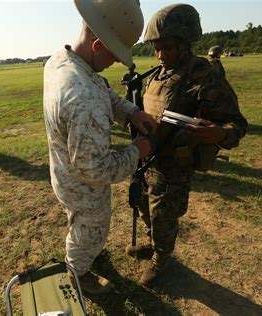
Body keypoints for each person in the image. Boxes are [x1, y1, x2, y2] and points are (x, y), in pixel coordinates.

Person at [127, 4, 248, 287]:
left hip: (175, 165)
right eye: (156, 48)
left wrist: (218, 134)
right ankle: (151, 241)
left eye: (166, 48)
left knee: (163, 215)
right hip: (147, 158)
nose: (159, 55)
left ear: (184, 43)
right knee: (144, 206)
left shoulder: (205, 75)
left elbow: (237, 124)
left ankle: (161, 257)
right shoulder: (157, 74)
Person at [43, 0, 155, 294]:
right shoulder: (82, 98)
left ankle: (85, 253)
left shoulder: (60, 60)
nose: (116, 62)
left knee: (79, 224)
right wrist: (137, 152)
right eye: (114, 55)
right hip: (84, 186)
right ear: (96, 46)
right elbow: (96, 168)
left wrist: (131, 112)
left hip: (65, 173)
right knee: (88, 229)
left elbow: (103, 90)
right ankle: (78, 273)